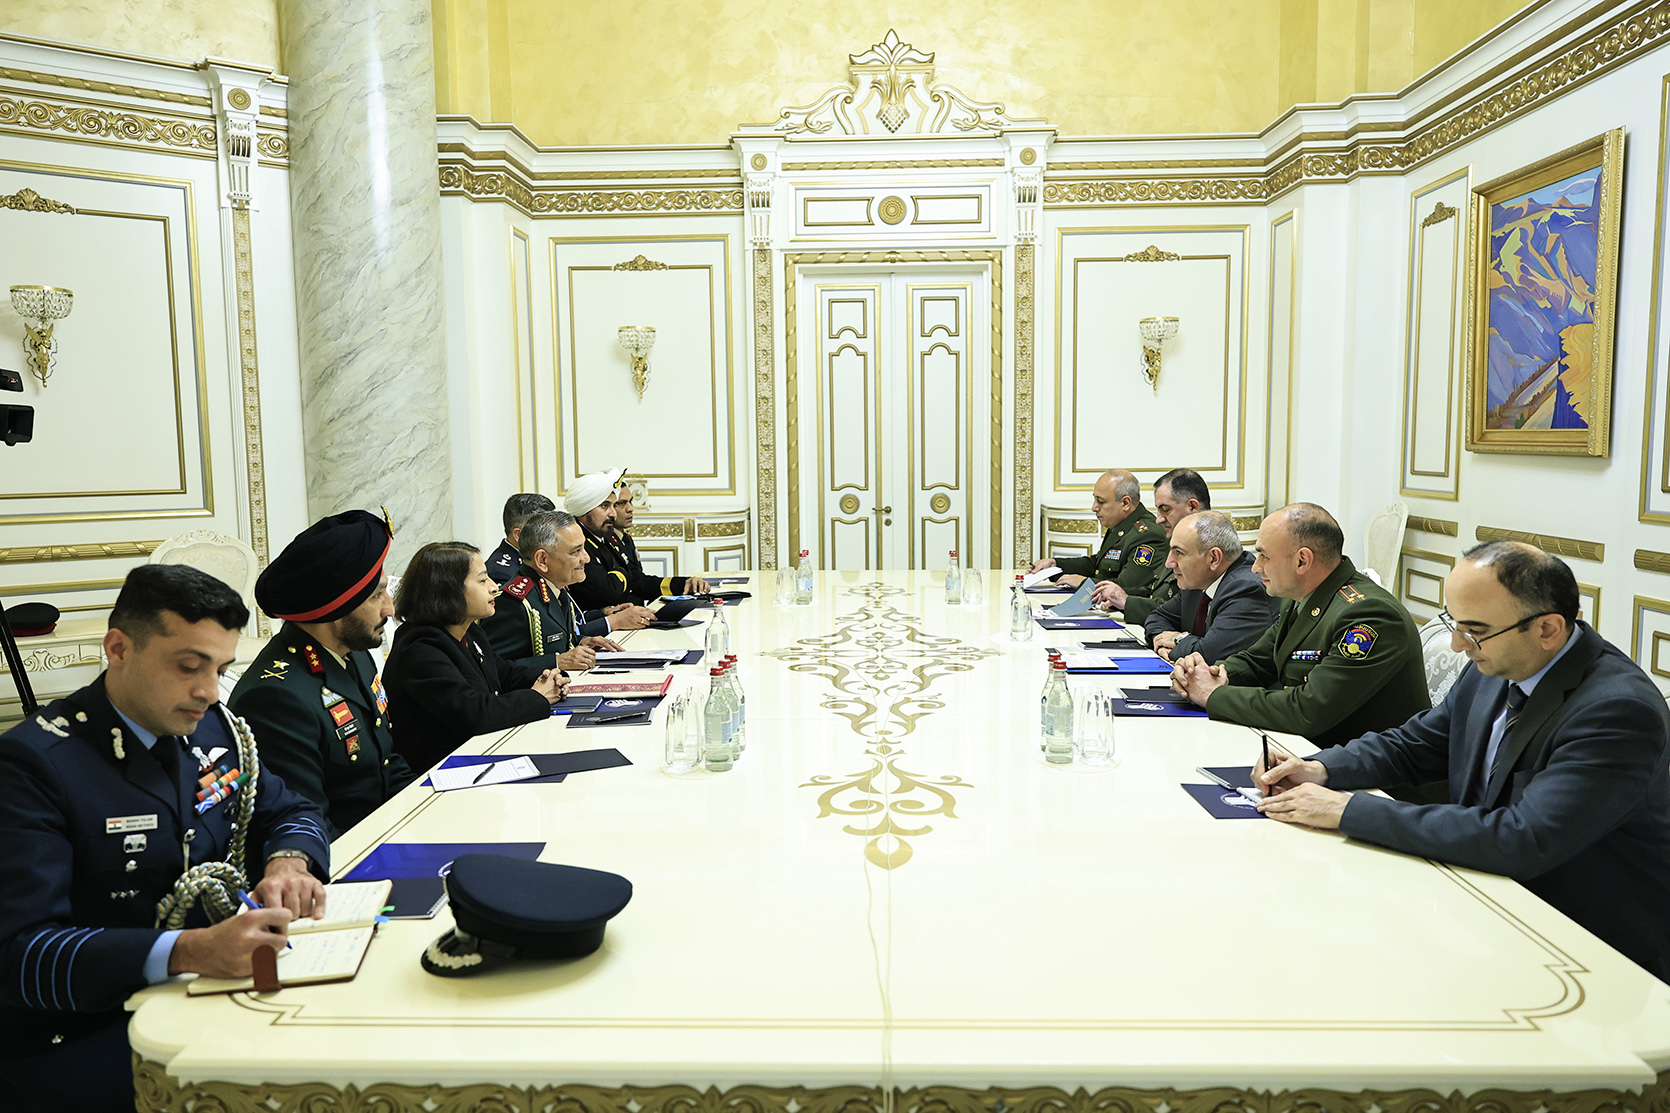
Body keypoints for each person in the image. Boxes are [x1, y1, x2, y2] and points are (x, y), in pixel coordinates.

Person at [1252, 542, 1670, 981]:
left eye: (1474, 630)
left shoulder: (1616, 710)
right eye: (1455, 623)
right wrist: (1320, 768)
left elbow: (1523, 838)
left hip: (1588, 948)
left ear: (1547, 629)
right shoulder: (1496, 663)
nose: (1456, 645)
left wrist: (1347, 810)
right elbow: (1416, 744)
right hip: (1484, 902)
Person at [0, 564, 330, 1113]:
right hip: (84, 1031)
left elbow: (290, 810)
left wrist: (289, 864)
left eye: (221, 669)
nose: (209, 691)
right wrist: (189, 950)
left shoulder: (212, 727)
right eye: (188, 667)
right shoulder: (34, 765)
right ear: (118, 648)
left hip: (207, 993)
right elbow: (21, 955)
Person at [1170, 502, 1428, 747]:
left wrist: (1212, 694)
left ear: (1302, 561)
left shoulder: (1369, 616)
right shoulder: (1303, 598)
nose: (1255, 567)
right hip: (1308, 752)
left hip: (1368, 770)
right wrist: (1205, 674)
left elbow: (1307, 711)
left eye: (1264, 556)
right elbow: (1258, 661)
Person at [230, 510, 413, 840]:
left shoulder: (354, 654)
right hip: (345, 858)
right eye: (376, 596)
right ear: (334, 607)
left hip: (388, 835)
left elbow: (386, 762)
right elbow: (306, 827)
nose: (389, 609)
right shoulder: (276, 698)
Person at [384, 542, 567, 775]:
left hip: (478, 755)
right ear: (448, 590)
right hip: (437, 774)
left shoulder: (469, 631)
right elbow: (475, 714)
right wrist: (537, 697)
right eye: (482, 580)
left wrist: (549, 677)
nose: (494, 587)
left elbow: (504, 673)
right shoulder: (419, 647)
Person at [480, 509, 639, 672]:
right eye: (576, 551)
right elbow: (489, 668)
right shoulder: (515, 604)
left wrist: (580, 641)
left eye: (584, 548)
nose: (586, 558)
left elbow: (553, 640)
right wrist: (556, 662)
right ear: (542, 560)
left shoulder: (555, 587)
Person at [1144, 510, 1276, 663]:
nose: (1169, 563)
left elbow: (1208, 654)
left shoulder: (1247, 589)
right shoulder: (1199, 581)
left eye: (1179, 552)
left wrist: (1178, 640)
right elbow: (1158, 617)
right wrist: (1161, 643)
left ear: (1214, 558)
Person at [568, 468, 709, 610]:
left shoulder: (605, 538)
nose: (613, 514)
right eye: (605, 506)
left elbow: (637, 580)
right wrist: (624, 573)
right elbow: (609, 592)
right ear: (584, 509)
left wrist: (683, 584)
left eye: (613, 506)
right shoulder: (576, 544)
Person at [1025, 468, 1166, 597]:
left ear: (1125, 503)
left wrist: (1084, 583)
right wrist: (1055, 565)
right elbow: (1097, 565)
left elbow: (1126, 587)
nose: (1094, 507)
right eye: (1095, 499)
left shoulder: (1148, 535)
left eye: (1101, 502)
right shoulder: (1121, 525)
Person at [1093, 467, 1210, 622]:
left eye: (1166, 510)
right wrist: (1117, 596)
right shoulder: (1178, 544)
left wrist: (1127, 602)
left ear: (1192, 507)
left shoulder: (1205, 553)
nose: (1158, 519)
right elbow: (1155, 592)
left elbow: (1183, 613)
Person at [612, 479, 710, 595]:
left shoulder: (624, 538)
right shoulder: (607, 542)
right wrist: (682, 584)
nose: (630, 508)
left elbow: (639, 579)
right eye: (621, 503)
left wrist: (685, 583)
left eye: (630, 502)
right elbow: (637, 582)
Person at [487, 493, 555, 586]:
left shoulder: (535, 558)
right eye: (545, 530)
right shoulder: (502, 573)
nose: (553, 535)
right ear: (519, 535)